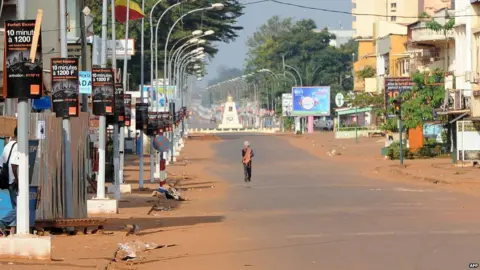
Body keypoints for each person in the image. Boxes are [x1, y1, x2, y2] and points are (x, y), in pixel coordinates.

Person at [0, 127, 19, 236]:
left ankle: (12, 231)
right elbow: (14, 165)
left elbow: (1, 164)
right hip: (14, 181)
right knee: (21, 208)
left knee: (15, 207)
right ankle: (2, 222)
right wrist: (17, 179)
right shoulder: (18, 147)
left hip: (8, 181)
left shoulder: (8, 145)